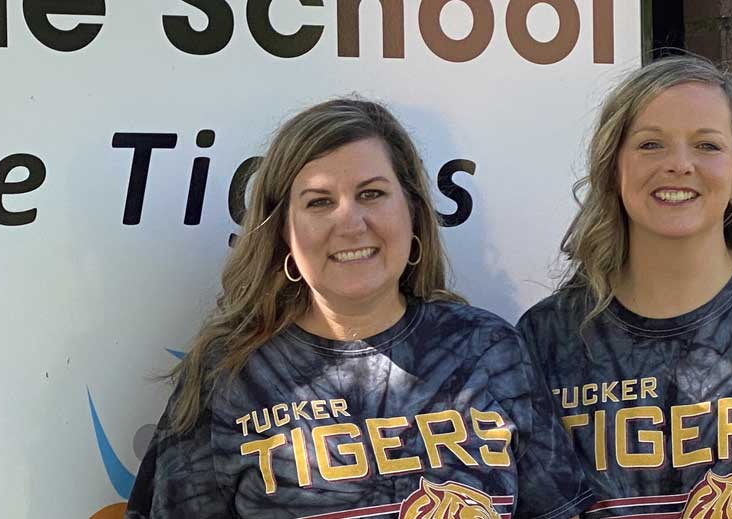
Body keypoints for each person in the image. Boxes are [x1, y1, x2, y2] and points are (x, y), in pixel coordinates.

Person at [125, 98, 592, 519]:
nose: (350, 222)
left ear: (412, 213)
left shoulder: (487, 351)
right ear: (283, 232)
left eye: (371, 194)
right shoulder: (229, 375)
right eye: (320, 202)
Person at [517, 54, 732, 518]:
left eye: (707, 146)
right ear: (614, 169)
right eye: (651, 145)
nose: (678, 165)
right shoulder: (548, 337)